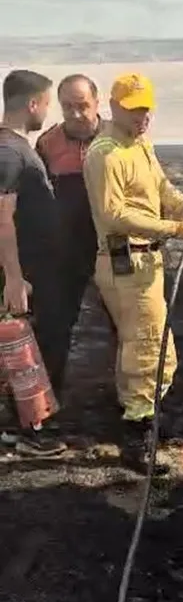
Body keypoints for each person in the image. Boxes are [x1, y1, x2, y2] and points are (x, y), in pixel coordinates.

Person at [83, 72, 183, 474]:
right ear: (114, 106)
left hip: (145, 263)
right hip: (125, 263)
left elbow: (162, 191)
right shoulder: (104, 154)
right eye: (135, 109)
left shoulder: (140, 146)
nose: (143, 116)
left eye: (146, 108)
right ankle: (139, 441)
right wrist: (176, 228)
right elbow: (115, 215)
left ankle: (142, 421)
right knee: (147, 351)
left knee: (152, 349)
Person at [0, 69, 67, 456]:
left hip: (28, 268)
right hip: (24, 272)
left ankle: (15, 427)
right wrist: (14, 278)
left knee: (17, 352)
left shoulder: (14, 146)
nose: (46, 111)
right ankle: (30, 434)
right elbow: (2, 217)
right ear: (32, 104)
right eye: (46, 103)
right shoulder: (10, 151)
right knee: (24, 353)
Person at [36, 74, 103, 366]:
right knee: (55, 325)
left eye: (82, 105)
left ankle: (132, 398)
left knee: (129, 328)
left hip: (112, 248)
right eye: (67, 107)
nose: (76, 114)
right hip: (66, 251)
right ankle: (48, 397)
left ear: (97, 103)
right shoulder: (48, 143)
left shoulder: (122, 138)